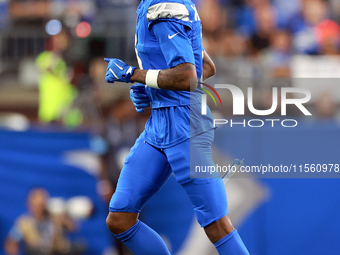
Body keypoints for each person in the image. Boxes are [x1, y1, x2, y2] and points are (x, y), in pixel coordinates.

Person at [104, 0, 250, 254]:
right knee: (120, 219)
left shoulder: (164, 5)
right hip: (159, 125)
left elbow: (187, 76)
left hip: (185, 126)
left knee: (217, 225)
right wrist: (151, 89)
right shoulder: (150, 5)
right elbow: (206, 66)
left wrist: (132, 74)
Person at [4, 188, 84, 255]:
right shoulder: (24, 223)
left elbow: (73, 227)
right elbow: (12, 242)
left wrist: (64, 218)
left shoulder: (55, 218)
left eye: (42, 204)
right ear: (30, 204)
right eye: (38, 205)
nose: (40, 208)